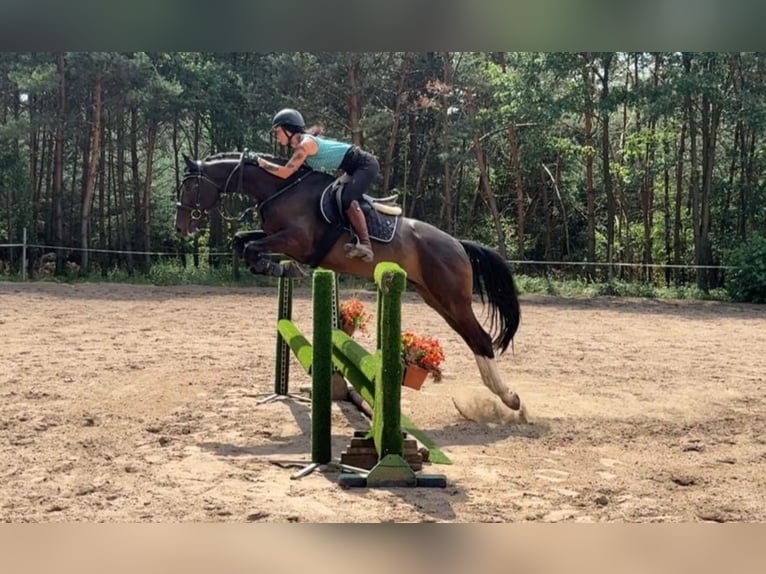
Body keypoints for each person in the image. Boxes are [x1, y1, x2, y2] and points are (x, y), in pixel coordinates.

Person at [256, 108, 379, 262]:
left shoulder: (305, 145)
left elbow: (285, 172)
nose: (277, 135)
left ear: (289, 130)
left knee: (347, 198)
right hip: (351, 168)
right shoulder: (300, 147)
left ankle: (366, 244)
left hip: (365, 165)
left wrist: (262, 164)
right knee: (335, 195)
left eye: (278, 131)